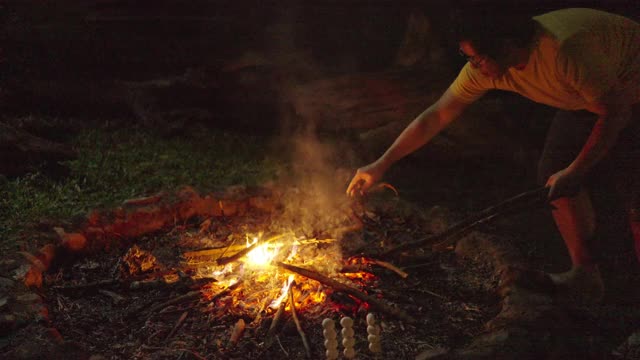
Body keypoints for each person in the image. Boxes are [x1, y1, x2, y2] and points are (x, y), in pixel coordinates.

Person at [347, 7, 640, 304]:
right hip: (595, 99)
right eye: (468, 58)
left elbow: (617, 111)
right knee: (553, 171)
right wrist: (382, 163)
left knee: (635, 198)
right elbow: (435, 117)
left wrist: (577, 170)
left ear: (508, 45)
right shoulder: (487, 69)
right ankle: (585, 276)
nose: (474, 66)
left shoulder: (565, 50)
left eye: (477, 58)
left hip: (629, 91)